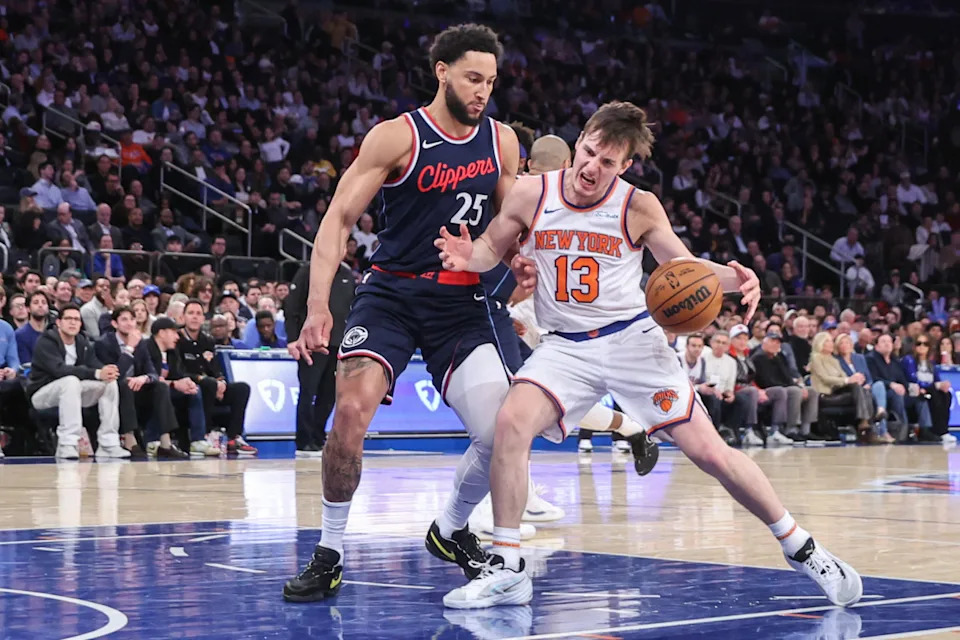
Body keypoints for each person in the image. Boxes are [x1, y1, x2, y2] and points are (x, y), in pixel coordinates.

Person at [435, 100, 861, 609]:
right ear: (579, 142)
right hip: (565, 346)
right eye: (589, 153)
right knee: (510, 424)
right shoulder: (532, 192)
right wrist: (468, 256)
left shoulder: (637, 205)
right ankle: (508, 567)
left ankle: (801, 547)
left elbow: (683, 268)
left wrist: (736, 278)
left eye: (608, 162)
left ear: (625, 165)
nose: (593, 167)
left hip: (632, 342)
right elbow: (489, 247)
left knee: (709, 453)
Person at [283, 25, 651, 604]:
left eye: (491, 82)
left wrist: (522, 260)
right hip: (392, 294)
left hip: (460, 303)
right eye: (473, 78)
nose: (482, 91)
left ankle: (450, 527)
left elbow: (511, 224)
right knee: (350, 414)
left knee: (499, 429)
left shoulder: (501, 142)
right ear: (442, 72)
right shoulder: (396, 136)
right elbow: (338, 220)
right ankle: (329, 553)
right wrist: (317, 305)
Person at [25, 304, 129, 460]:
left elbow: (94, 364)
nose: (73, 322)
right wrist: (96, 373)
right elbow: (59, 370)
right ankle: (67, 444)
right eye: (68, 318)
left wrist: (106, 371)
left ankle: (108, 444)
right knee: (70, 381)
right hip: (42, 394)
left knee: (109, 382)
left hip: (73, 392)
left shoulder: (82, 341)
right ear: (58, 322)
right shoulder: (46, 341)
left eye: (76, 319)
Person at [286, 261, 354, 458]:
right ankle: (304, 441)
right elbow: (292, 306)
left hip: (338, 342)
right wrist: (292, 339)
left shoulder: (347, 274)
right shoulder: (308, 270)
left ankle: (317, 437)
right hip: (312, 342)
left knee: (329, 394)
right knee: (308, 392)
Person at [177, 300, 255, 455]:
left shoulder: (207, 340)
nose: (194, 317)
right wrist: (203, 379)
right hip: (188, 386)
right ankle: (204, 435)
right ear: (183, 317)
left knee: (242, 388)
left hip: (210, 386)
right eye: (191, 313)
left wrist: (221, 382)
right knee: (208, 384)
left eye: (198, 314)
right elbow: (178, 371)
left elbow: (214, 368)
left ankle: (234, 438)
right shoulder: (177, 339)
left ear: (203, 318)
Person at [134, 316, 219, 456]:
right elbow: (147, 377)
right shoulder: (145, 348)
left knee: (193, 390)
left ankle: (197, 440)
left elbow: (178, 374)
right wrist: (174, 384)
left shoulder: (172, 352)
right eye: (174, 333)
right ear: (162, 333)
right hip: (144, 392)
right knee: (161, 391)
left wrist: (186, 383)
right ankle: (152, 440)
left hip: (166, 389)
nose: (177, 337)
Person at [808, 331, 877, 436]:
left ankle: (865, 423)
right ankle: (868, 422)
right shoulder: (816, 358)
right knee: (862, 392)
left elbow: (843, 376)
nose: (831, 343)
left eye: (831, 341)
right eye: (828, 341)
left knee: (860, 389)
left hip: (837, 392)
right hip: (825, 396)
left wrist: (855, 379)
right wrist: (848, 380)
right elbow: (825, 378)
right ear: (820, 343)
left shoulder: (834, 360)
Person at [867, 333, 932, 442]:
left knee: (921, 398)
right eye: (883, 341)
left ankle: (925, 430)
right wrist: (892, 384)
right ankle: (903, 430)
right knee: (896, 395)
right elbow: (873, 378)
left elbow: (903, 380)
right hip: (881, 393)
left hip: (899, 391)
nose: (887, 344)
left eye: (889, 342)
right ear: (877, 346)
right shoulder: (871, 358)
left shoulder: (895, 361)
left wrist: (911, 388)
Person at [834, 333, 893, 444]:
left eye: (847, 342)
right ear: (837, 346)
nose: (845, 345)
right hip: (850, 389)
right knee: (864, 392)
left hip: (865, 387)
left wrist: (868, 385)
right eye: (841, 343)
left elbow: (869, 377)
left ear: (851, 344)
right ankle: (878, 430)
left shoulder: (859, 358)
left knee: (879, 385)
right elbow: (839, 379)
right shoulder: (836, 361)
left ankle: (880, 410)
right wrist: (853, 380)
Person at [901, 335, 956, 444]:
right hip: (914, 391)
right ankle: (933, 431)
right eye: (919, 344)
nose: (922, 346)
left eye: (925, 344)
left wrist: (943, 385)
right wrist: (934, 386)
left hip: (929, 391)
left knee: (946, 394)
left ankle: (943, 431)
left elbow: (937, 380)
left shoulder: (931, 364)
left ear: (929, 347)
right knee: (934, 392)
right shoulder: (909, 360)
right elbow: (913, 379)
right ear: (914, 346)